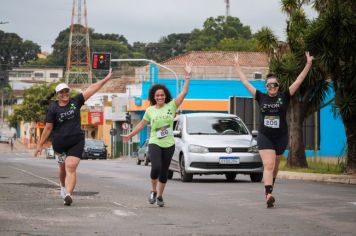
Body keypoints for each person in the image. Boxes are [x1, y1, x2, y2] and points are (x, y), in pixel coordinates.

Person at [234, 52, 313, 208]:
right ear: (266, 87)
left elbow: (299, 80)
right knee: (269, 165)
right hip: (265, 136)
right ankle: (268, 194)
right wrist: (237, 66)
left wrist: (308, 64)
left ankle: (270, 188)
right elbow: (245, 82)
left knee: (275, 167)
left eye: (275, 84)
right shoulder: (260, 96)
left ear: (278, 86)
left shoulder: (285, 96)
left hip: (281, 136)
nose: (272, 87)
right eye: (269, 85)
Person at [35, 69, 113, 206]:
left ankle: (68, 195)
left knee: (70, 167)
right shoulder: (53, 109)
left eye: (66, 91)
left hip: (76, 141)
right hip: (59, 143)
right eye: (61, 92)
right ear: (57, 94)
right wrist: (40, 144)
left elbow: (92, 89)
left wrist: (105, 80)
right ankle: (63, 186)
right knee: (62, 168)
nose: (64, 94)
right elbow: (48, 128)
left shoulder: (76, 101)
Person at [122, 63, 192, 207]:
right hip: (155, 141)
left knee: (164, 171)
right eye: (157, 95)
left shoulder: (172, 106)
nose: (160, 97)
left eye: (162, 95)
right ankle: (153, 190)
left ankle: (160, 196)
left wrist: (187, 77)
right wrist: (130, 135)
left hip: (169, 143)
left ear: (165, 96)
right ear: (154, 97)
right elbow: (141, 125)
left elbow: (184, 92)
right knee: (156, 167)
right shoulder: (150, 110)